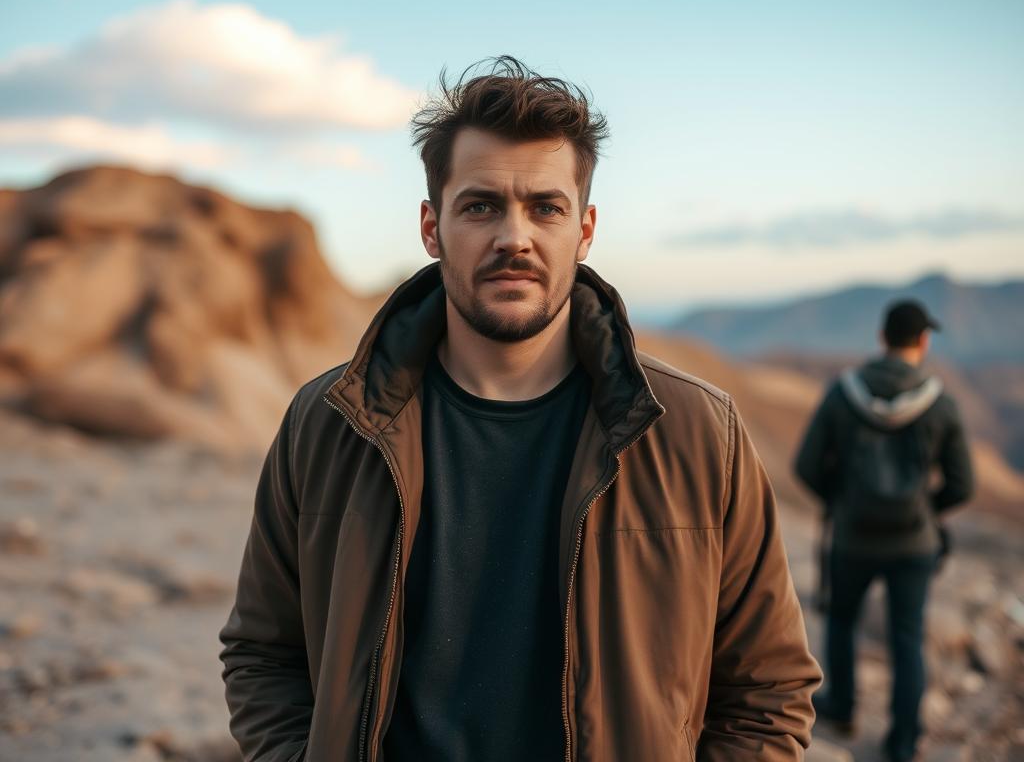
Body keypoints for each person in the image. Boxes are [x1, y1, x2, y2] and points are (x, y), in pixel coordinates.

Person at [219, 55, 822, 762]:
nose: (515, 237)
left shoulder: (696, 432)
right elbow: (263, 655)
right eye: (480, 206)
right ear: (431, 227)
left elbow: (769, 692)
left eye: (545, 207)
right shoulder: (327, 423)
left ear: (585, 229)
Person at [794, 299, 974, 762]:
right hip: (914, 543)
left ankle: (842, 707)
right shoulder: (941, 403)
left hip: (852, 537)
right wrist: (927, 510)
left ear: (882, 338)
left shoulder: (843, 393)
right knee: (907, 636)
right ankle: (903, 740)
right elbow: (962, 484)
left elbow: (807, 465)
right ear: (922, 341)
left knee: (840, 619)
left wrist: (842, 501)